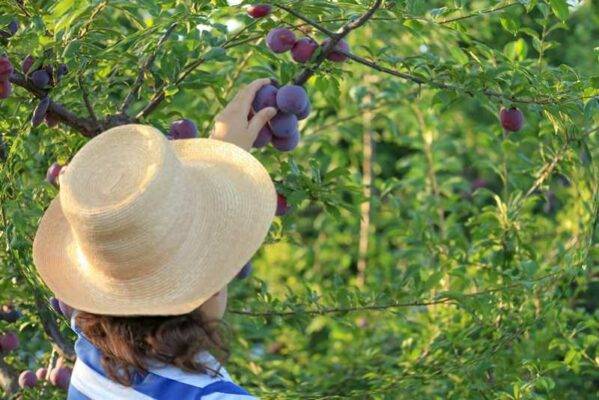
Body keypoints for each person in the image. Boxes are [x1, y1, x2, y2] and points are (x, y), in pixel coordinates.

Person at [32, 79, 279, 399]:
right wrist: (223, 159)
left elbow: (128, 243)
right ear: (211, 284)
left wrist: (223, 155)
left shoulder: (91, 349)